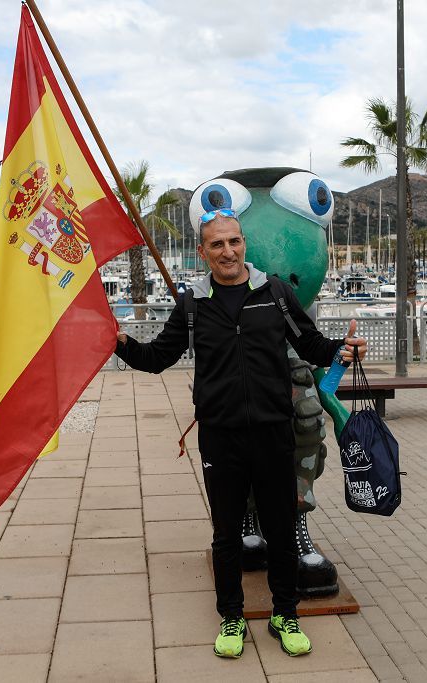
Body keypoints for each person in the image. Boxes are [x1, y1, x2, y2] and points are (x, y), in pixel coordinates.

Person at [115, 208, 367, 659]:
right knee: (227, 534)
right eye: (217, 244)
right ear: (203, 252)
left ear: (244, 244)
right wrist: (120, 343)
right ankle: (231, 617)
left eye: (234, 241)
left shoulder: (275, 293)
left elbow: (310, 344)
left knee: (282, 529)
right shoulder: (193, 305)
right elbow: (158, 358)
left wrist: (341, 349)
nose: (227, 251)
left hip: (273, 432)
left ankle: (283, 615)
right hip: (220, 436)